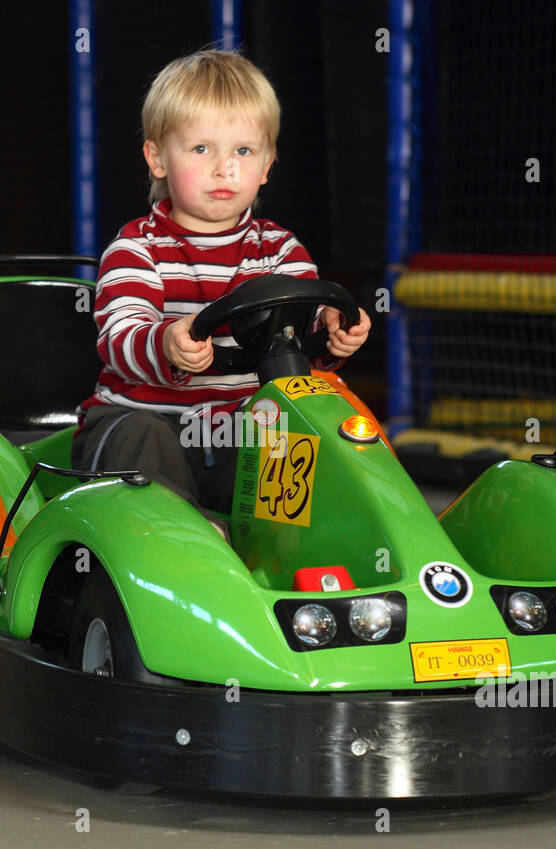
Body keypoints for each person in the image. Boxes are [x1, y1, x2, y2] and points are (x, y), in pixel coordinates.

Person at [72, 49, 371, 538]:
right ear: (157, 158)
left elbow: (306, 325)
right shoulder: (137, 247)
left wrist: (334, 333)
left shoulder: (279, 249)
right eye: (201, 149)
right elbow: (120, 336)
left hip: (239, 438)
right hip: (146, 429)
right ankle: (185, 542)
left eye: (243, 152)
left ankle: (313, 546)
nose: (225, 169)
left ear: (267, 165)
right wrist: (166, 343)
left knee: (307, 428)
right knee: (141, 434)